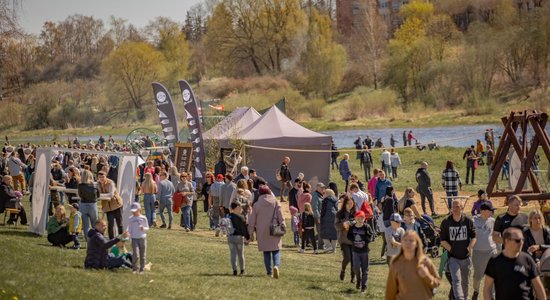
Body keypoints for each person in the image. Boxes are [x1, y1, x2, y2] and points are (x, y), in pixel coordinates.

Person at [484, 227, 546, 300]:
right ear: (507, 241)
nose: (521, 243)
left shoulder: (527, 259)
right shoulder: (495, 261)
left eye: (522, 240)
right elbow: (487, 288)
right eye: (518, 240)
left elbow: (538, 287)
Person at [385, 231, 440, 300]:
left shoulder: (425, 262)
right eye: (405, 240)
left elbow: (437, 283)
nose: (408, 243)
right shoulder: (396, 263)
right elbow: (390, 291)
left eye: (411, 241)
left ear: (416, 244)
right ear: (402, 242)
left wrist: (427, 276)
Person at [440, 199, 477, 300]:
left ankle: (465, 297)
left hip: (466, 257)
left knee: (465, 281)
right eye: (453, 207)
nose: (455, 209)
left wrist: (470, 247)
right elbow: (443, 240)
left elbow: (474, 237)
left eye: (457, 206)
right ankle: (459, 298)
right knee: (456, 280)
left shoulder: (468, 221)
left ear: (462, 208)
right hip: (453, 258)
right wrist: (452, 249)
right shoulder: (446, 222)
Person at [248, 186, 285, 278]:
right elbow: (280, 215)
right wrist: (283, 224)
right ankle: (276, 265)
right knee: (276, 250)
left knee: (266, 252)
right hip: (274, 228)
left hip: (261, 231)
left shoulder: (256, 205)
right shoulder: (275, 202)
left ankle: (269, 272)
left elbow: (252, 220)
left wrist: (250, 232)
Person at [471, 202, 497, 300]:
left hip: (491, 251)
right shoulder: (473, 220)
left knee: (493, 275)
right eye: (491, 210)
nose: (492, 212)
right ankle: (476, 291)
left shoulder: (492, 221)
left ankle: (492, 296)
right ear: (483, 211)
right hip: (478, 253)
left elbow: (495, 236)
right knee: (478, 276)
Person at [347, 210, 374, 293]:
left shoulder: (366, 227)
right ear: (355, 218)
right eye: (358, 218)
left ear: (364, 219)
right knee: (356, 267)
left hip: (365, 251)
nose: (360, 220)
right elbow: (349, 236)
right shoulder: (352, 227)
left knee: (365, 269)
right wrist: (353, 241)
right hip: (355, 251)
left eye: (362, 218)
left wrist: (365, 242)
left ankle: (363, 286)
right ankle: (359, 280)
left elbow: (371, 236)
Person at [335, 195, 357, 283]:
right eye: (348, 203)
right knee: (347, 257)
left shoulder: (356, 213)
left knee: (353, 259)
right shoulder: (340, 213)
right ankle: (343, 270)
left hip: (354, 240)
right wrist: (343, 225)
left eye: (351, 203)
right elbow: (336, 226)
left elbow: (362, 223)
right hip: (343, 239)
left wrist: (356, 223)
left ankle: (353, 278)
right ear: (345, 204)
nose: (350, 205)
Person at [97, 171, 123, 239]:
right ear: (98, 178)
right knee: (110, 225)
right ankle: (111, 240)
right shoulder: (98, 184)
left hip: (116, 205)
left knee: (119, 223)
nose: (101, 178)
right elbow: (97, 194)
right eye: (100, 177)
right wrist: (101, 195)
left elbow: (111, 194)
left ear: (106, 176)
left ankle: (122, 239)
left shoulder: (110, 183)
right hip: (107, 207)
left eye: (103, 177)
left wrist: (101, 195)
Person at [228, 202, 250, 276]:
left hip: (230, 237)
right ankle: (242, 270)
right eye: (240, 207)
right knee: (240, 254)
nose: (241, 209)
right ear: (236, 208)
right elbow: (244, 229)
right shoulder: (241, 217)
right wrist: (247, 237)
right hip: (239, 238)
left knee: (233, 254)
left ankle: (234, 271)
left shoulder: (228, 216)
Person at [127, 202, 149, 274]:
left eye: (135, 211)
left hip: (142, 238)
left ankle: (142, 269)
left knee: (143, 255)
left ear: (139, 209)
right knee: (135, 254)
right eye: (132, 211)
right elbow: (129, 228)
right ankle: (134, 268)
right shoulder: (130, 218)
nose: (133, 212)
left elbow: (147, 228)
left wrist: (143, 228)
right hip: (134, 238)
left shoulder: (143, 218)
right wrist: (127, 233)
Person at [77, 170, 99, 237]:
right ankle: (96, 239)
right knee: (95, 225)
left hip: (83, 204)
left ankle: (88, 241)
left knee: (86, 226)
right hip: (92, 205)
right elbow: (98, 195)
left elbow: (80, 195)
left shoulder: (80, 185)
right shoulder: (95, 185)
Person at [321, 189, 338, 253]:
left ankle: (328, 246)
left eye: (324, 193)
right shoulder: (335, 199)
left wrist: (321, 217)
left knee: (324, 233)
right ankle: (334, 250)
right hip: (335, 216)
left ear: (327, 194)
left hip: (326, 217)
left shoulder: (325, 200)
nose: (323, 194)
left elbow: (323, 210)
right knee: (334, 234)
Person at [311, 182, 326, 250]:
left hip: (321, 216)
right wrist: (318, 217)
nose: (323, 189)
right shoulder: (315, 195)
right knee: (321, 231)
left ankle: (311, 241)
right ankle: (321, 245)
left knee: (321, 231)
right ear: (317, 188)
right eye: (322, 188)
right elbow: (314, 207)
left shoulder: (320, 195)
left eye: (323, 188)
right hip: (317, 216)